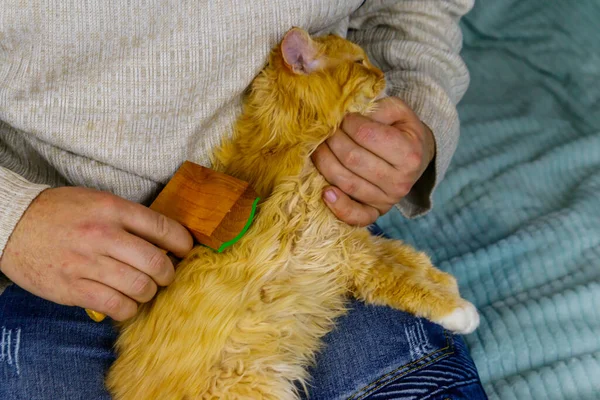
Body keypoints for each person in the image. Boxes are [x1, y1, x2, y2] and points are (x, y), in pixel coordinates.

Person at [0, 1, 487, 398]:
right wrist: (10, 215)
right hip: (43, 260)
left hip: (306, 223)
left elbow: (414, 10)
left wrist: (415, 116)